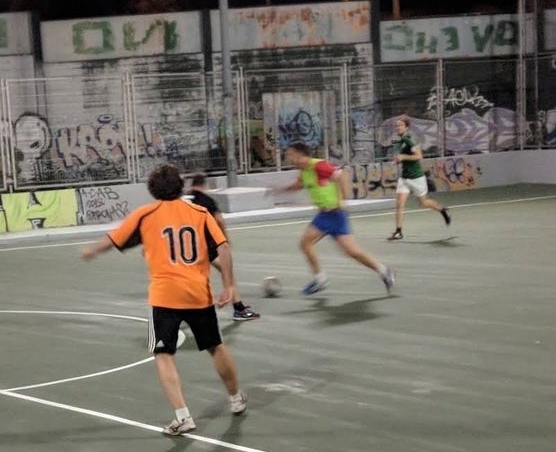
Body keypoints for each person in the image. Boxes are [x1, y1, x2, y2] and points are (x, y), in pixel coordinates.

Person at [82, 164, 246, 436]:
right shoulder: (199, 212)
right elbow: (224, 247)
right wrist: (228, 285)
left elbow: (113, 239)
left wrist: (91, 251)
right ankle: (236, 398)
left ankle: (182, 416)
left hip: (165, 295)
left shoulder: (145, 214)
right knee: (215, 346)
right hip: (198, 292)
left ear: (152, 189)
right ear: (180, 185)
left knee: (163, 353)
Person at [277, 142, 395, 296]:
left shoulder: (318, 166)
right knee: (307, 244)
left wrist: (343, 199)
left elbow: (342, 175)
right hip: (324, 215)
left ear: (300, 154)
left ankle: (384, 271)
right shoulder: (304, 171)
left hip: (336, 214)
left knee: (351, 251)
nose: (288, 158)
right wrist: (279, 190)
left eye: (290, 154)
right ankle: (321, 279)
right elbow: (299, 185)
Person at [188, 174, 260, 321]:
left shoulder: (185, 199)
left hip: (187, 247)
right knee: (227, 271)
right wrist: (225, 238)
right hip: (206, 244)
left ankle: (181, 310)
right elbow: (219, 221)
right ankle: (238, 308)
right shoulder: (207, 201)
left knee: (188, 278)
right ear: (204, 185)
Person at [388, 115, 451, 241]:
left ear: (406, 127)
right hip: (404, 178)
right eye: (396, 125)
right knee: (399, 204)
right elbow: (403, 156)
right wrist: (398, 160)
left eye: (400, 125)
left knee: (424, 202)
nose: (398, 127)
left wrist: (403, 157)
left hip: (416, 177)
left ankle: (441, 209)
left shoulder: (411, 139)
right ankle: (398, 232)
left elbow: (418, 156)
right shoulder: (401, 140)